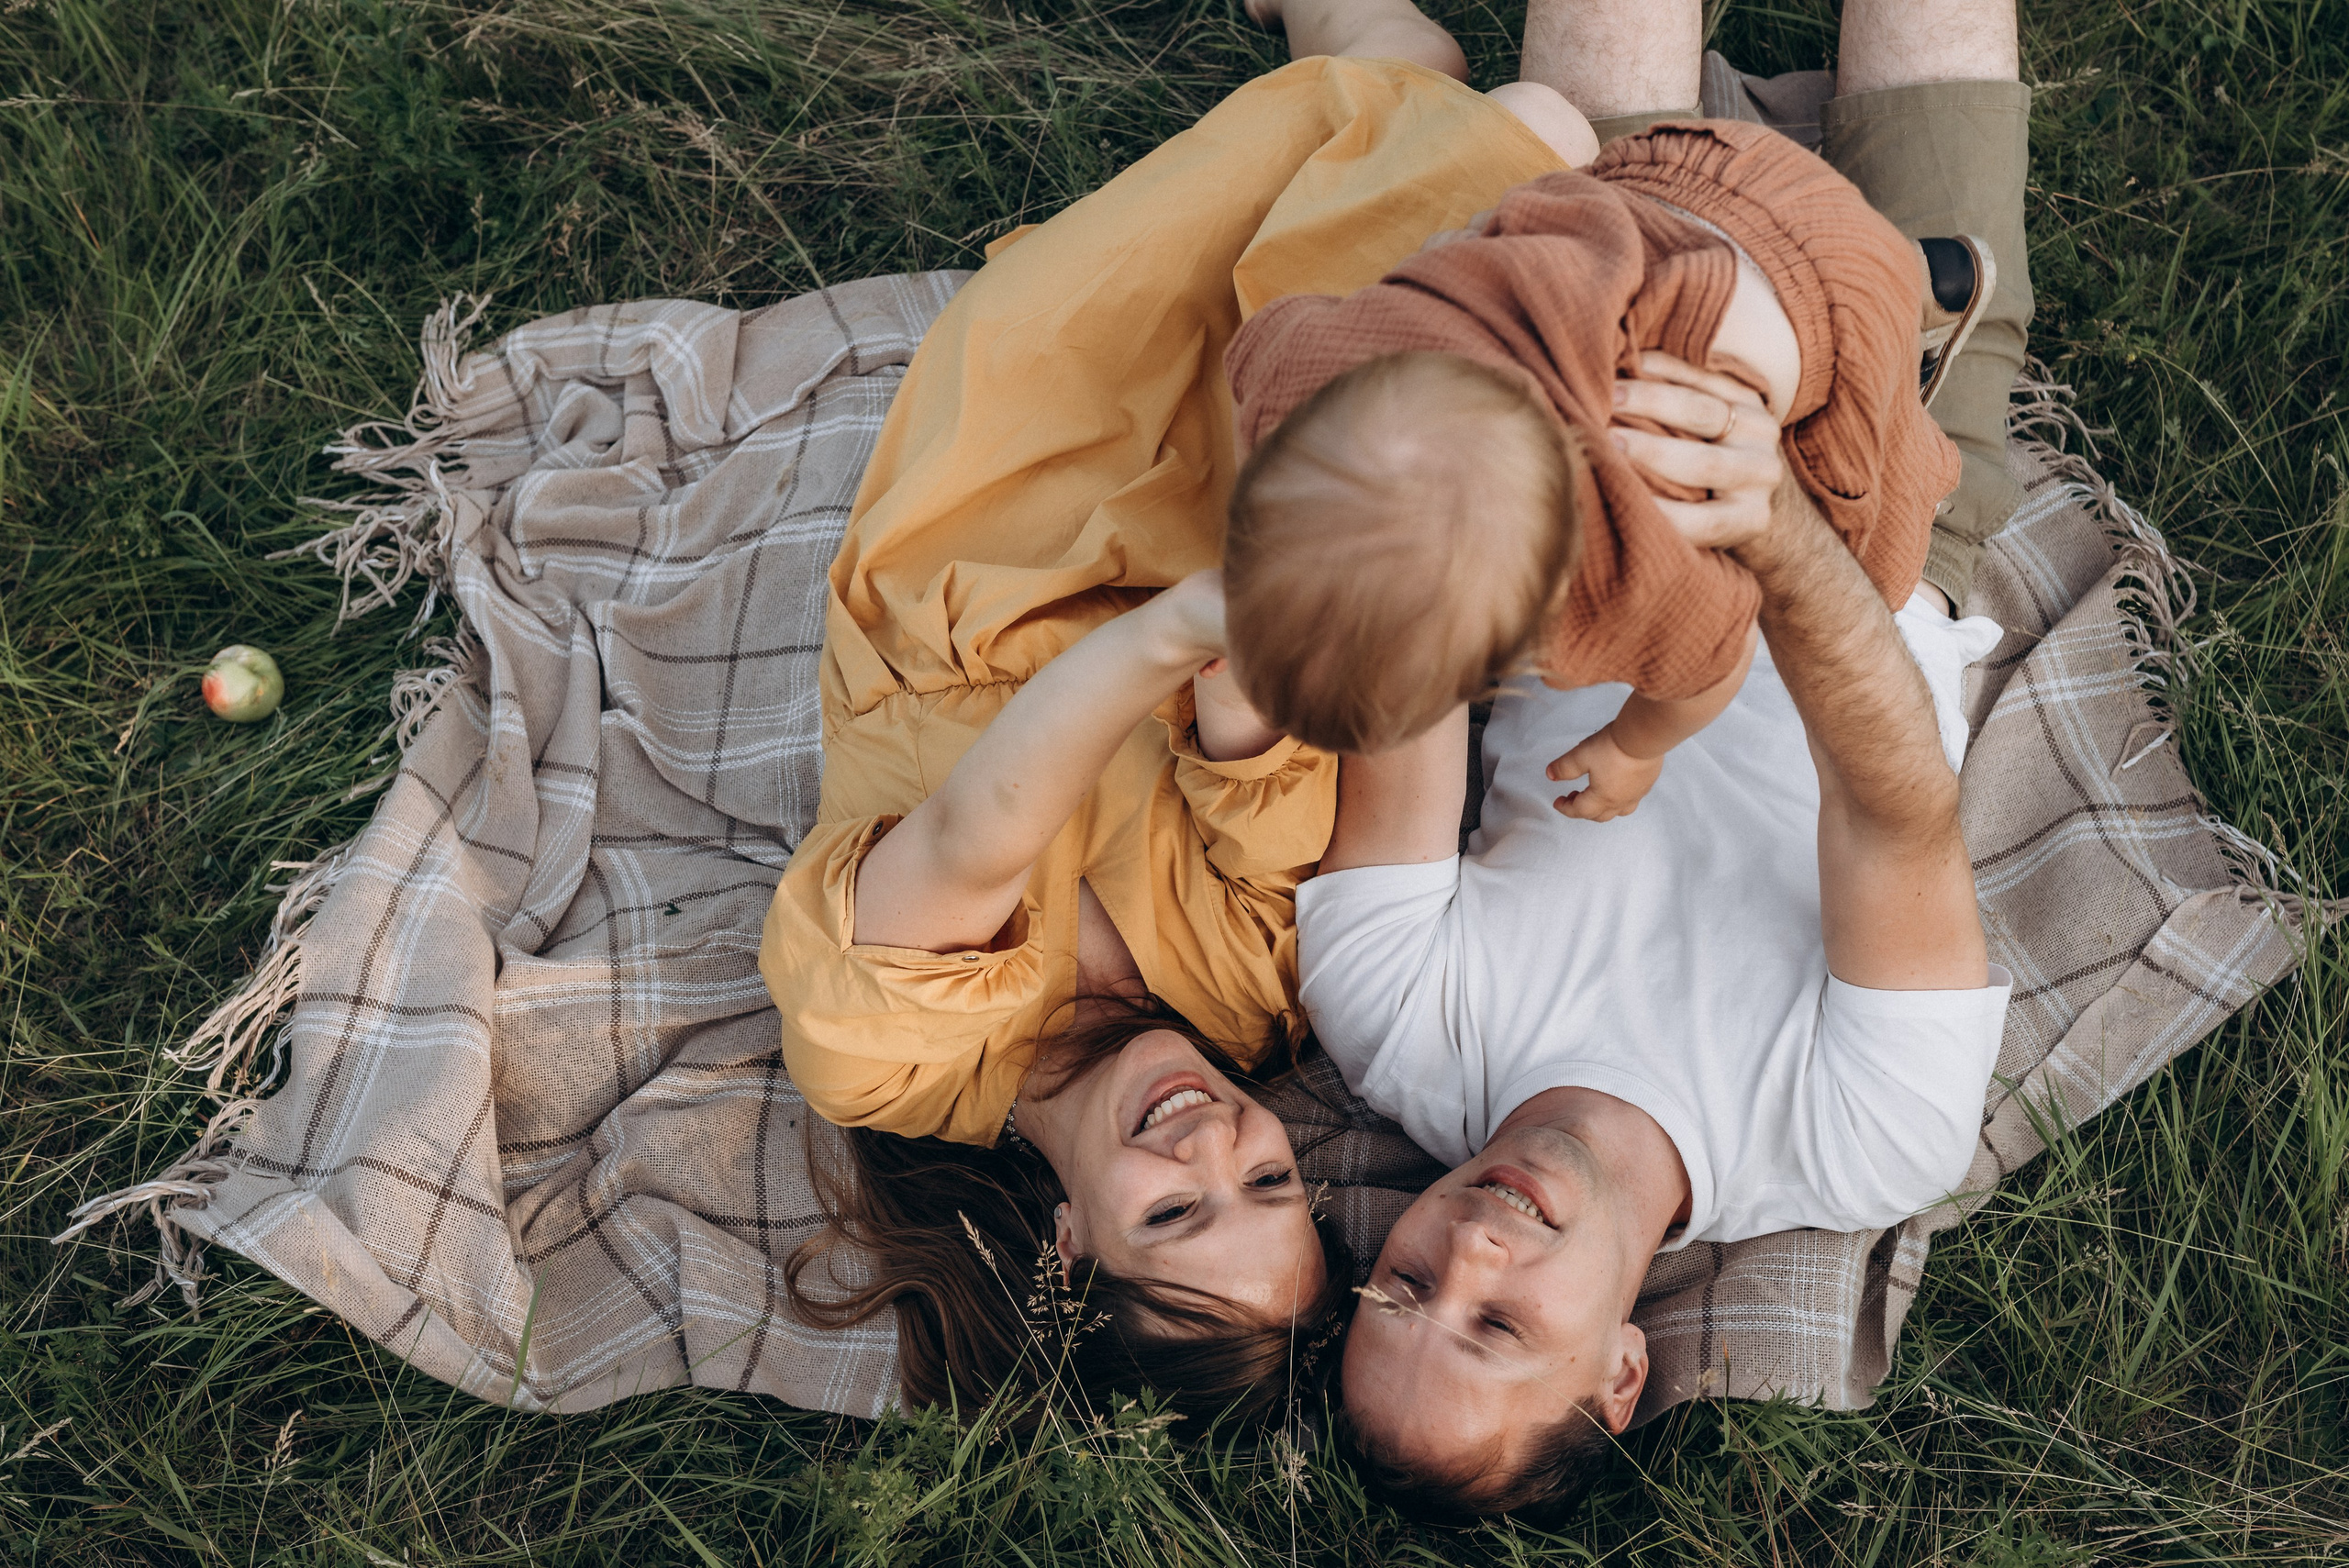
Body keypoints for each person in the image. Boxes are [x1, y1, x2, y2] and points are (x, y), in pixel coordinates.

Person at [763, 5, 1598, 1425]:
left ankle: (1370, 55)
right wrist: (1257, 650)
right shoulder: (1246, 993)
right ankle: (1389, 76)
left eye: (1177, 1215)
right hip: (1218, 545)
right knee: (1519, 145)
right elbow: (1253, 746)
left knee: (1453, 129)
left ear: (1072, 1244)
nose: (1216, 1142)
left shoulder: (892, 1056)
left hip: (1006, 505)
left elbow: (981, 822)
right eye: (1268, 1180)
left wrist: (1197, 623)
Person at [1279, 0, 2031, 1515]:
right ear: (1621, 1370)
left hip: (1610, 464)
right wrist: (1777, 525)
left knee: (1610, 71)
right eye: (1502, 1325)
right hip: (1894, 521)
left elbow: (1410, 657)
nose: (1469, 1247)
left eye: (1409, 1282)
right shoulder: (1855, 1144)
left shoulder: (1394, 1022)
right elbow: (1897, 814)